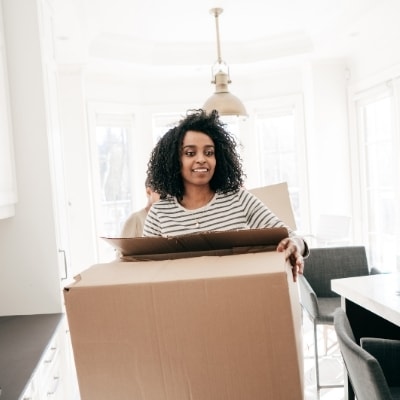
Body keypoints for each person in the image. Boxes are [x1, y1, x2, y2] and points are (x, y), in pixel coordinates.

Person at [143, 109, 308, 281]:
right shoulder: (159, 213)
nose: (201, 159)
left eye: (209, 152)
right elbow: (143, 266)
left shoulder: (239, 199)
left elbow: (292, 238)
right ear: (174, 160)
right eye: (190, 153)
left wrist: (296, 245)